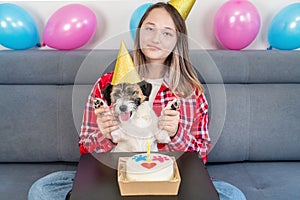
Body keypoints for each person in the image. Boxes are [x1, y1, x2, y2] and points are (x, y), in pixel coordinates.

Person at [28, 1, 246, 200]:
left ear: (177, 42)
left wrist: (174, 135)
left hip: (168, 181)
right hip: (114, 179)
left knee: (233, 195)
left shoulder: (190, 91)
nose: (156, 38)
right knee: (42, 189)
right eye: (149, 29)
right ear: (140, 33)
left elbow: (200, 156)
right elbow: (86, 148)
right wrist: (105, 135)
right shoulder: (106, 85)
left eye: (167, 33)